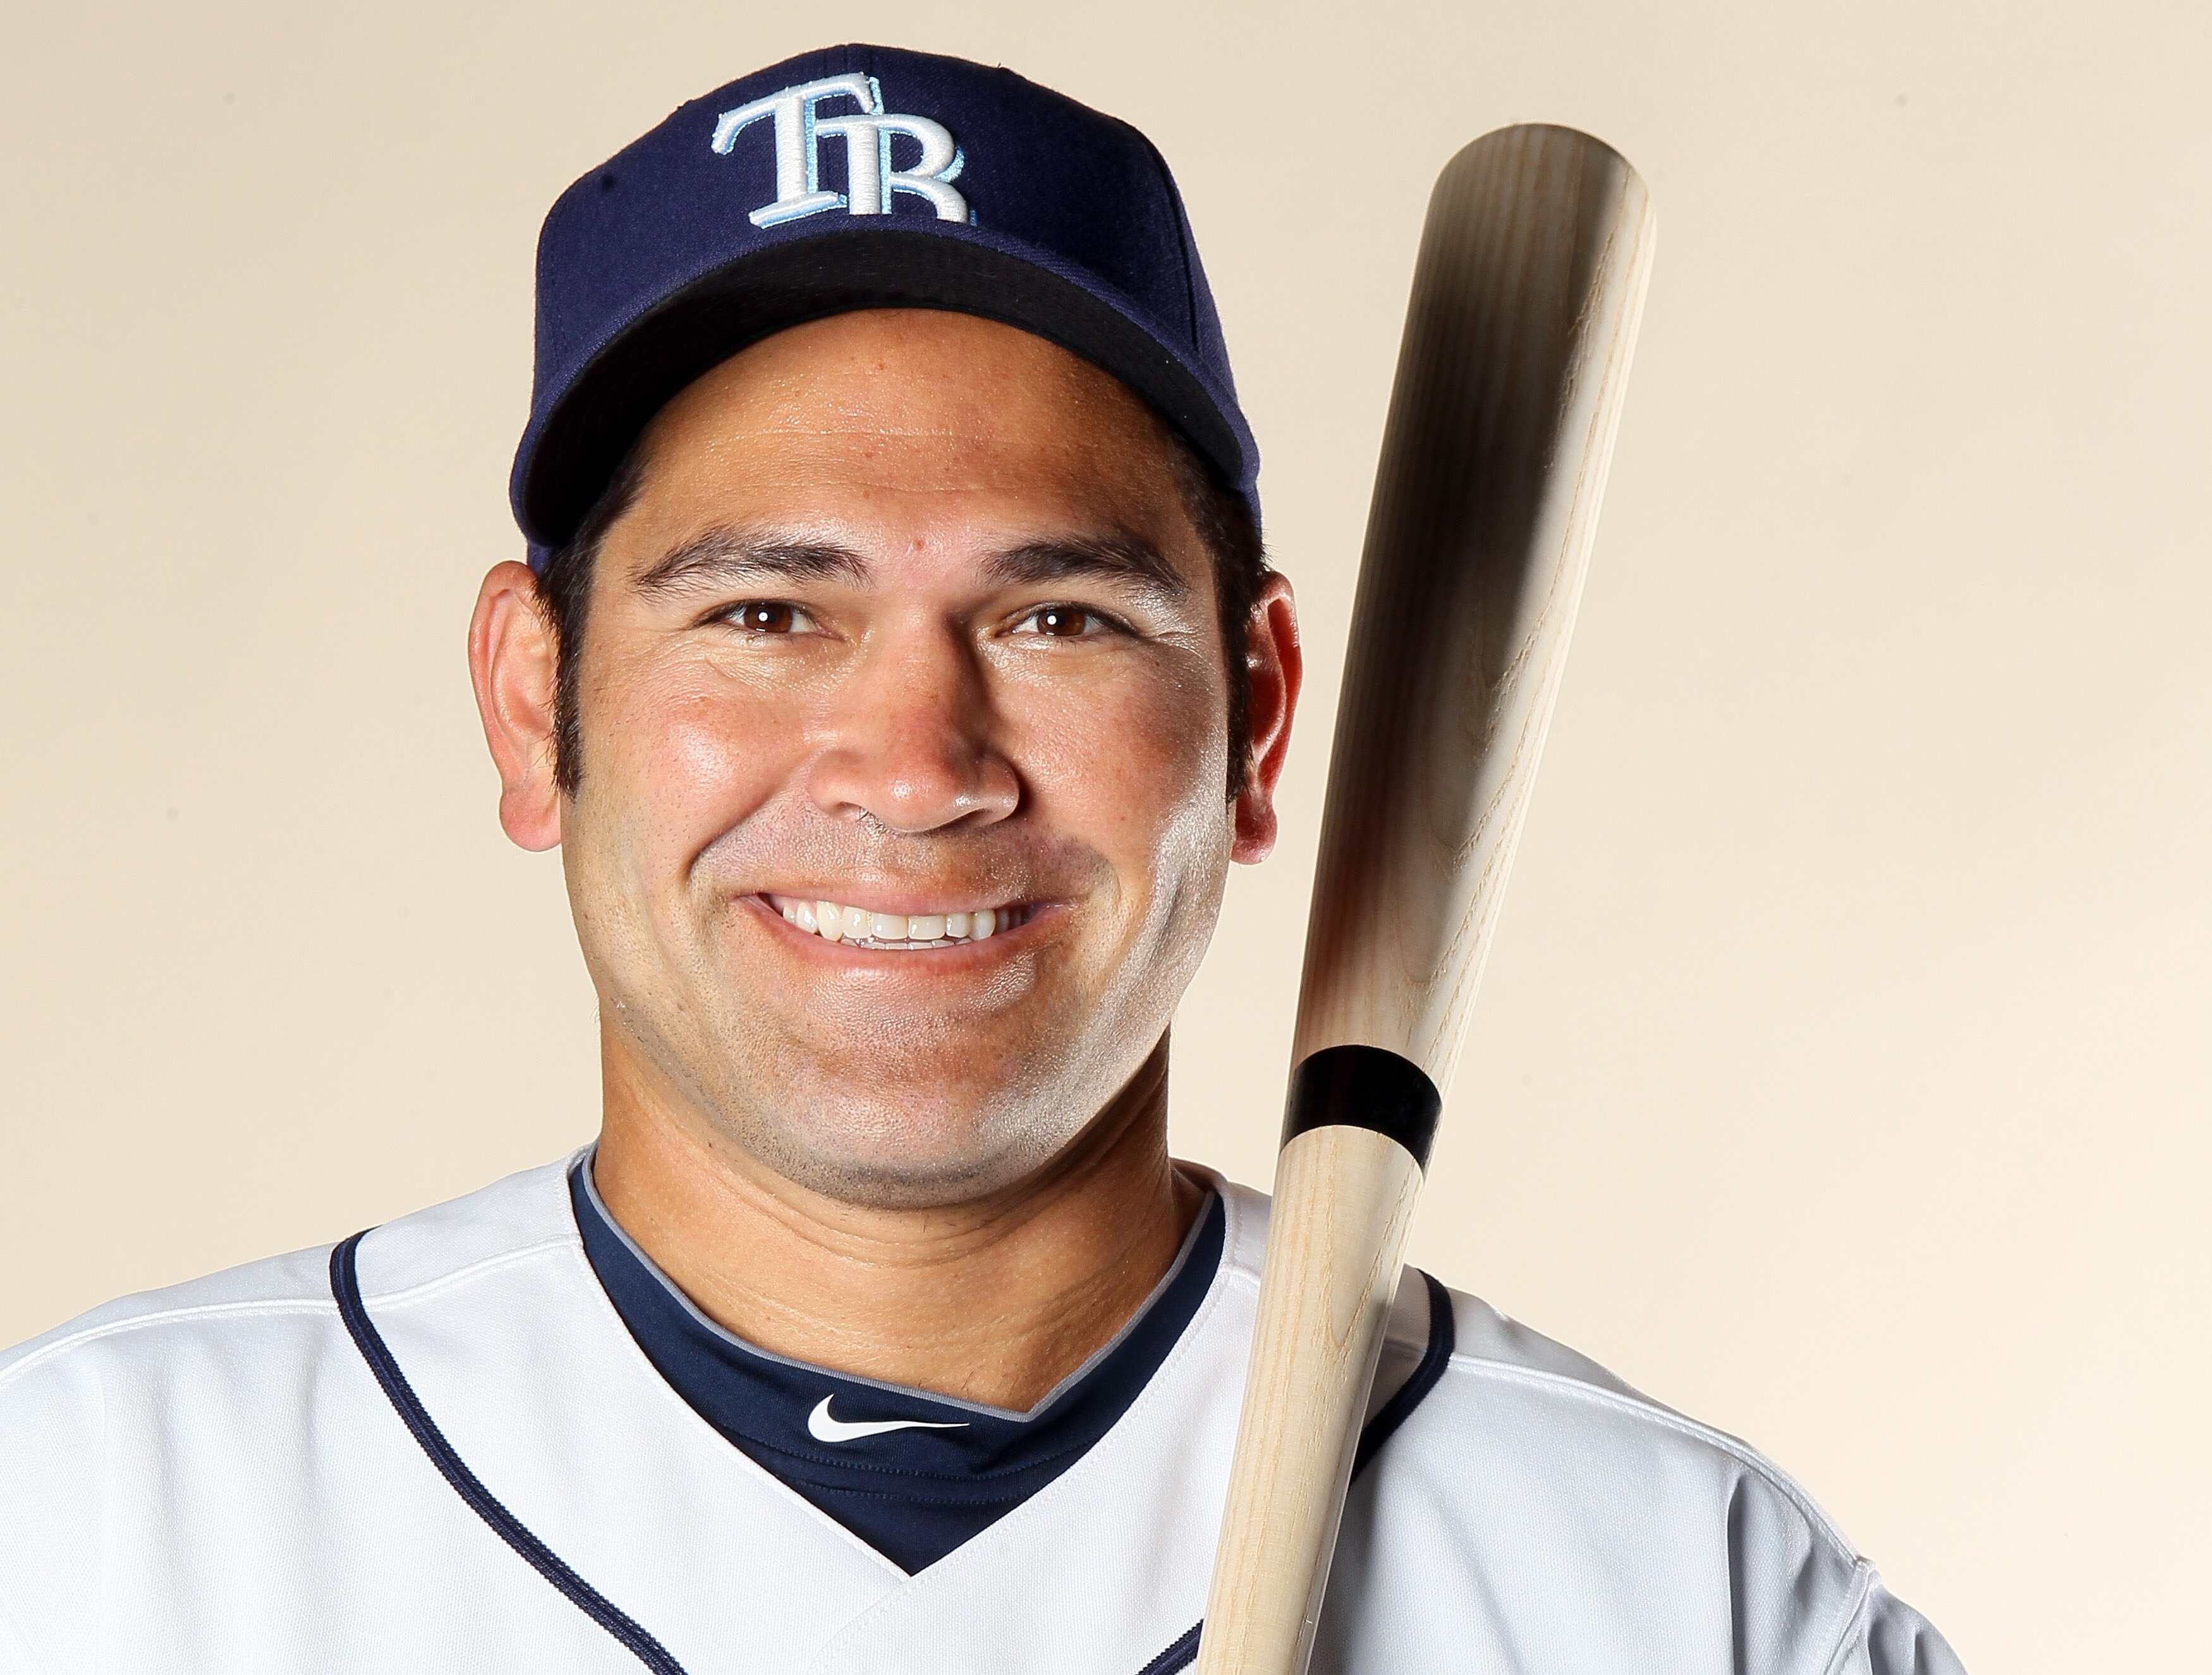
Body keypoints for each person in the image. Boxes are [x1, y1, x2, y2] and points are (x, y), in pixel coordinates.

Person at [0, 43, 1962, 1675]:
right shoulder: (98, 1524)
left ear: (1260, 715)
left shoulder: (1673, 1591)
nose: (917, 767)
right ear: (535, 706)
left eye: (1059, 620)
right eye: (767, 610)